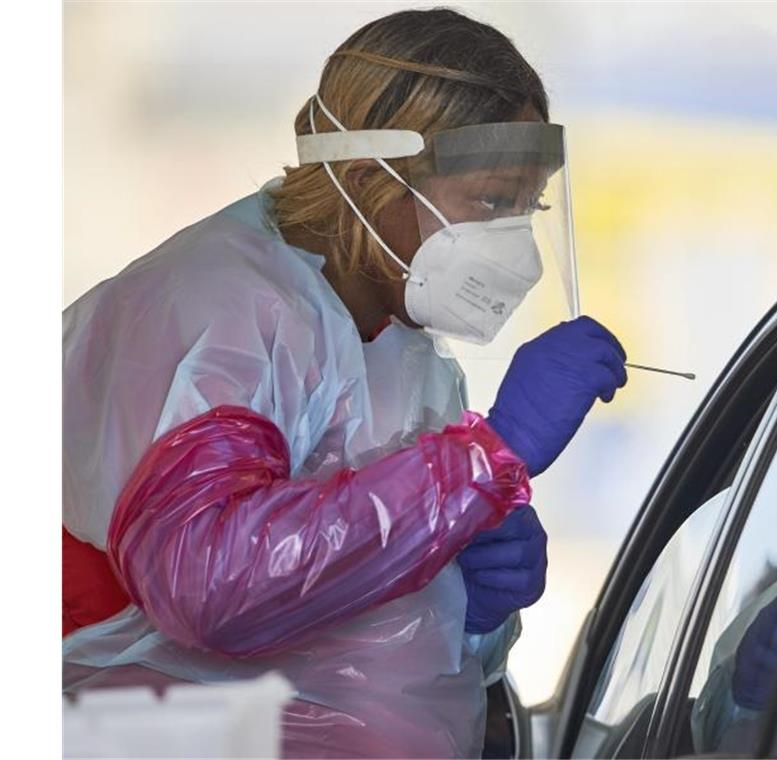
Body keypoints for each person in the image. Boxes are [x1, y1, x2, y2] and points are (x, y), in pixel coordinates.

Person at [62, 9, 626, 758]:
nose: (516, 242)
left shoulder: (403, 351)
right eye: (491, 201)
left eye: (529, 205)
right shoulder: (219, 312)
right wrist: (482, 462)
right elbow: (205, 587)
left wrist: (473, 608)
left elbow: (373, 624)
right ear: (368, 180)